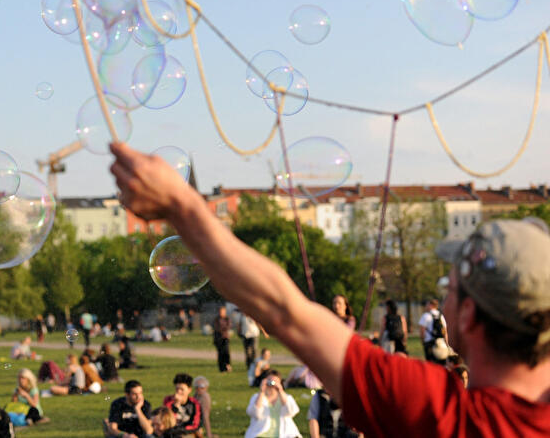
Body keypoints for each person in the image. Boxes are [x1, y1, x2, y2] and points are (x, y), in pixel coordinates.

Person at [110, 143, 550, 436]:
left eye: (450, 287)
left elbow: (282, 309)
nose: (443, 297)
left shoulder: (441, 414)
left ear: (469, 316)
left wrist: (179, 204)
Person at [245, 370, 300, 438]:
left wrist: (280, 391)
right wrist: (262, 392)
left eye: (275, 381)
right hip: (262, 434)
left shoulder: (287, 397)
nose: (272, 384)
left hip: (285, 434)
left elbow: (291, 412)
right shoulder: (256, 397)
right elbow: (255, 414)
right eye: (269, 381)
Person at [418, 299, 448, 364]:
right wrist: (446, 343)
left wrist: (423, 341)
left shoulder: (425, 316)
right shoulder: (441, 316)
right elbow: (445, 331)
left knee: (430, 363)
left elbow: (422, 331)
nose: (425, 306)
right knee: (441, 363)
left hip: (429, 343)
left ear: (431, 305)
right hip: (441, 342)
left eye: (427, 304)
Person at [213, 306, 232, 372]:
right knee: (220, 353)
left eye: (222, 311)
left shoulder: (227, 318)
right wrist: (223, 329)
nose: (221, 313)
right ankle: (221, 368)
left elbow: (228, 326)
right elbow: (216, 327)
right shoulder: (217, 319)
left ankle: (227, 365)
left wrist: (222, 329)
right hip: (218, 338)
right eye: (220, 311)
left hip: (225, 338)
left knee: (226, 352)